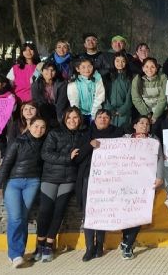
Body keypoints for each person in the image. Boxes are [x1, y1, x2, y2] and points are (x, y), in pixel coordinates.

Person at [36, 107, 88, 262]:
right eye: (69, 118)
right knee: (45, 210)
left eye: (75, 118)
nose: (72, 121)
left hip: (69, 179)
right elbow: (45, 154)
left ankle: (49, 244)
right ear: (64, 119)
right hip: (50, 177)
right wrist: (67, 157)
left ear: (80, 119)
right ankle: (39, 243)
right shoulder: (54, 133)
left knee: (59, 211)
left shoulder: (83, 135)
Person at [0, 117, 47, 268]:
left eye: (42, 127)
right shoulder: (18, 142)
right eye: (36, 126)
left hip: (33, 182)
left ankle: (19, 253)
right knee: (15, 218)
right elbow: (6, 165)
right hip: (14, 183)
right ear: (29, 126)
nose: (39, 130)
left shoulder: (44, 143)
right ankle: (14, 254)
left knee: (23, 218)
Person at [76, 109, 124, 262]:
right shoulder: (86, 135)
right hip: (88, 178)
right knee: (89, 213)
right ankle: (89, 247)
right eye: (100, 117)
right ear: (94, 119)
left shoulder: (117, 134)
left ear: (110, 119)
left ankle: (99, 245)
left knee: (102, 211)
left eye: (106, 117)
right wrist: (89, 146)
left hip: (108, 180)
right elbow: (77, 159)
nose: (103, 119)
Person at [119, 116, 165, 260]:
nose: (144, 126)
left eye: (147, 124)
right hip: (127, 181)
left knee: (140, 212)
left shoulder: (154, 140)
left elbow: (160, 159)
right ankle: (125, 239)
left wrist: (159, 177)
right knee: (127, 212)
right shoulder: (125, 139)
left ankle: (128, 244)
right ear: (134, 125)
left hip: (146, 182)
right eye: (141, 123)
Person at [66, 57, 105, 125]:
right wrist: (77, 115)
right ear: (78, 69)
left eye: (89, 66)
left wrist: (94, 114)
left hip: (95, 112)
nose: (87, 70)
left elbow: (99, 97)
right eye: (83, 67)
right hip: (80, 113)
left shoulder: (97, 78)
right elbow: (74, 100)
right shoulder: (73, 82)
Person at [31, 61, 69, 129]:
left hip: (58, 113)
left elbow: (61, 104)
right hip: (43, 113)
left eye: (52, 70)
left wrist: (60, 121)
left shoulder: (62, 85)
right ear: (42, 72)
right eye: (47, 69)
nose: (49, 72)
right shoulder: (36, 85)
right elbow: (38, 103)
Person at [103, 53, 134, 132]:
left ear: (126, 62)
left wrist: (122, 110)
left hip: (124, 111)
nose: (120, 63)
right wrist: (109, 109)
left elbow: (129, 97)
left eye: (123, 61)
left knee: (122, 133)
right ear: (113, 62)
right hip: (110, 111)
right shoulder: (107, 76)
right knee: (109, 132)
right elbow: (104, 95)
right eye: (117, 61)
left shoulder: (129, 77)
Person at [131, 57, 167, 123]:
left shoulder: (163, 78)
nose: (149, 69)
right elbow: (136, 99)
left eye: (152, 67)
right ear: (143, 68)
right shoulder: (137, 79)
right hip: (144, 112)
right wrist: (147, 114)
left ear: (156, 68)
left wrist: (155, 116)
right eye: (146, 67)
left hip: (160, 112)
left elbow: (163, 98)